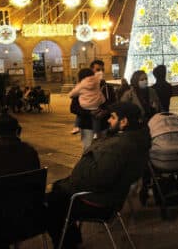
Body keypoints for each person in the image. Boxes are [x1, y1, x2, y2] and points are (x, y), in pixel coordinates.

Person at [47, 102, 151, 248]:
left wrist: (75, 177)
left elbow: (99, 179)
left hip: (101, 202)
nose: (108, 120)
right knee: (59, 189)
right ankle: (72, 239)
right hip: (115, 196)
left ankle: (67, 244)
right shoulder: (137, 139)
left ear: (124, 121)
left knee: (52, 202)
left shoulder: (118, 147)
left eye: (113, 117)